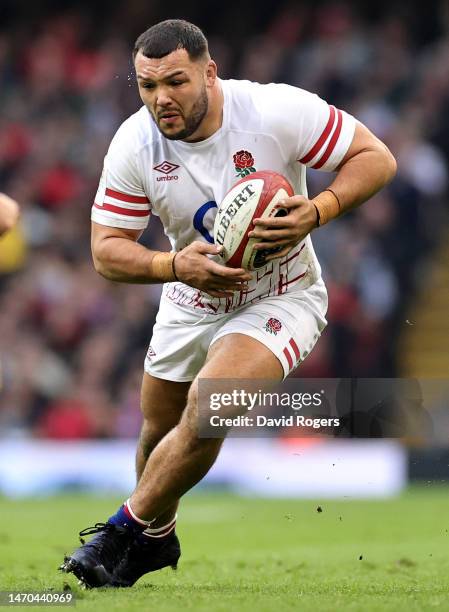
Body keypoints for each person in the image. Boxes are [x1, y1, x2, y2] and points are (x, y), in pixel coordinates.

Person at [60, 19, 396, 588]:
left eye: (175, 81)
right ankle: (155, 540)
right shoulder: (134, 142)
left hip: (281, 293)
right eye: (147, 86)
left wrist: (319, 209)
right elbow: (105, 252)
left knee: (212, 404)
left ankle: (119, 532)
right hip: (191, 293)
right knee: (157, 428)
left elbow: (376, 157)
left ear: (210, 73)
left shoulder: (274, 111)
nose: (161, 98)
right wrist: (173, 264)